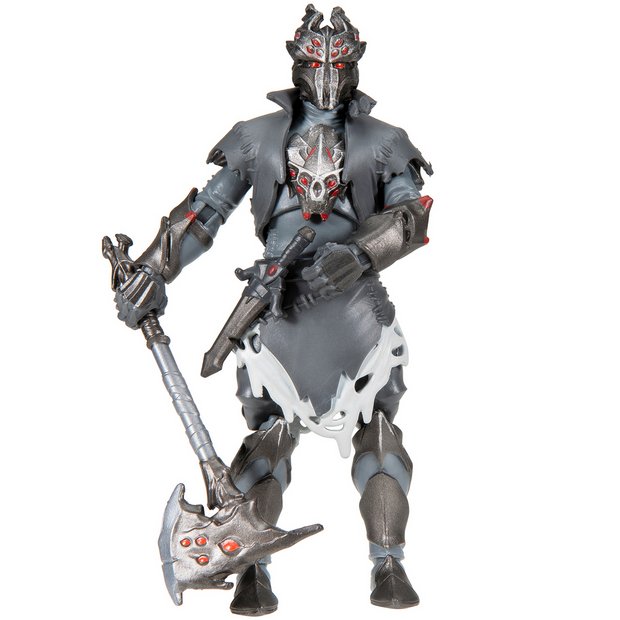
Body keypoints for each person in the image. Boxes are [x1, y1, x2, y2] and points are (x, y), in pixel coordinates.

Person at [114, 4, 433, 614]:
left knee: (379, 438)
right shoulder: (258, 137)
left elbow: (410, 216)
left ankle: (388, 563)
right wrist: (151, 271)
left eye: (339, 62)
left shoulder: (383, 142)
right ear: (297, 61)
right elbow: (205, 214)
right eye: (317, 61)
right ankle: (252, 572)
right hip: (277, 313)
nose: (328, 74)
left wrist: (361, 253)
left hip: (356, 314)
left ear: (355, 64)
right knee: (265, 446)